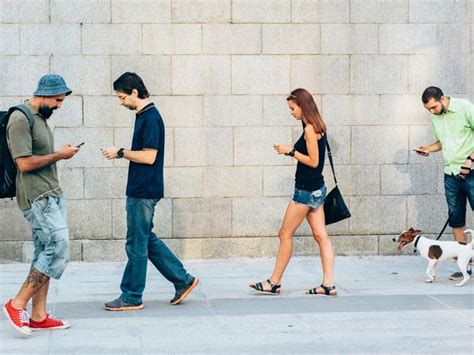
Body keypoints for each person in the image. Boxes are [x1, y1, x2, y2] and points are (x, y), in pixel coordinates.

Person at [101, 72, 198, 311]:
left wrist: (120, 152)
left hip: (143, 190)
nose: (120, 102)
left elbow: (149, 155)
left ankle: (132, 295)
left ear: (135, 92)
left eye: (122, 97)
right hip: (142, 188)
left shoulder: (151, 118)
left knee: (135, 244)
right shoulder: (143, 115)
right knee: (146, 240)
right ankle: (183, 280)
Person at [3, 74, 80, 335]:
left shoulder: (40, 118)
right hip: (37, 197)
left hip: (52, 193)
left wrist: (60, 153)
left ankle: (38, 315)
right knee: (59, 247)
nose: (60, 105)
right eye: (58, 100)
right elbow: (23, 163)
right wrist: (60, 154)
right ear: (45, 94)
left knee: (45, 251)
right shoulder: (19, 119)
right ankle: (17, 304)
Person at [250, 88, 337, 297]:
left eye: (292, 108)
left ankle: (274, 281)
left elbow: (314, 162)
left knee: (284, 234)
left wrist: (290, 151)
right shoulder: (318, 125)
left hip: (306, 191)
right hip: (317, 190)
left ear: (303, 106)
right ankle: (328, 284)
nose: (291, 112)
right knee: (320, 235)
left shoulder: (309, 129)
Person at [417, 86, 474, 281]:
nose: (431, 112)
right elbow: (441, 142)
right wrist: (429, 149)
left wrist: (470, 160)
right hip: (450, 174)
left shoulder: (464, 107)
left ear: (442, 99)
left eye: (433, 107)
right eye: (428, 110)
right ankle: (464, 265)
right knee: (456, 220)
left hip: (472, 171)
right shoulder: (435, 117)